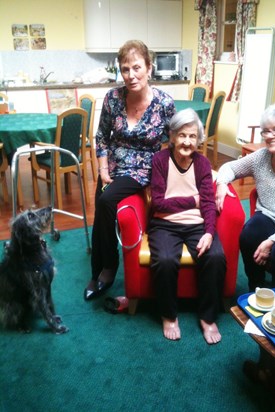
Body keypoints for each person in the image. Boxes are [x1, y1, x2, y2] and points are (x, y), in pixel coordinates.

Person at [84, 40, 176, 300]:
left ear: (149, 68)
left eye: (137, 67)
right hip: (113, 164)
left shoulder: (164, 103)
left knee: (106, 199)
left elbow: (174, 142)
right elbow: (101, 136)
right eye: (125, 69)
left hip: (143, 167)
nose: (131, 75)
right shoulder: (113, 98)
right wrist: (102, 168)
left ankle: (107, 268)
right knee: (101, 203)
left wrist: (165, 175)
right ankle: (99, 265)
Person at [148, 108, 226, 344]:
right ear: (172, 137)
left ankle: (208, 317)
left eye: (193, 136)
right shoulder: (160, 160)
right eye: (182, 135)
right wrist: (192, 200)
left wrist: (209, 233)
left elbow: (209, 203)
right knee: (165, 260)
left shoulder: (202, 163)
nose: (187, 141)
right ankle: (169, 315)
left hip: (196, 224)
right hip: (164, 224)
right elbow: (158, 204)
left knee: (215, 257)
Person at [216, 102, 275, 291]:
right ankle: (256, 287)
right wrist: (221, 183)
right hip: (270, 216)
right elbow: (229, 167)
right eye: (265, 131)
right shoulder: (261, 157)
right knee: (249, 235)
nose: (269, 136)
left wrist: (272, 240)